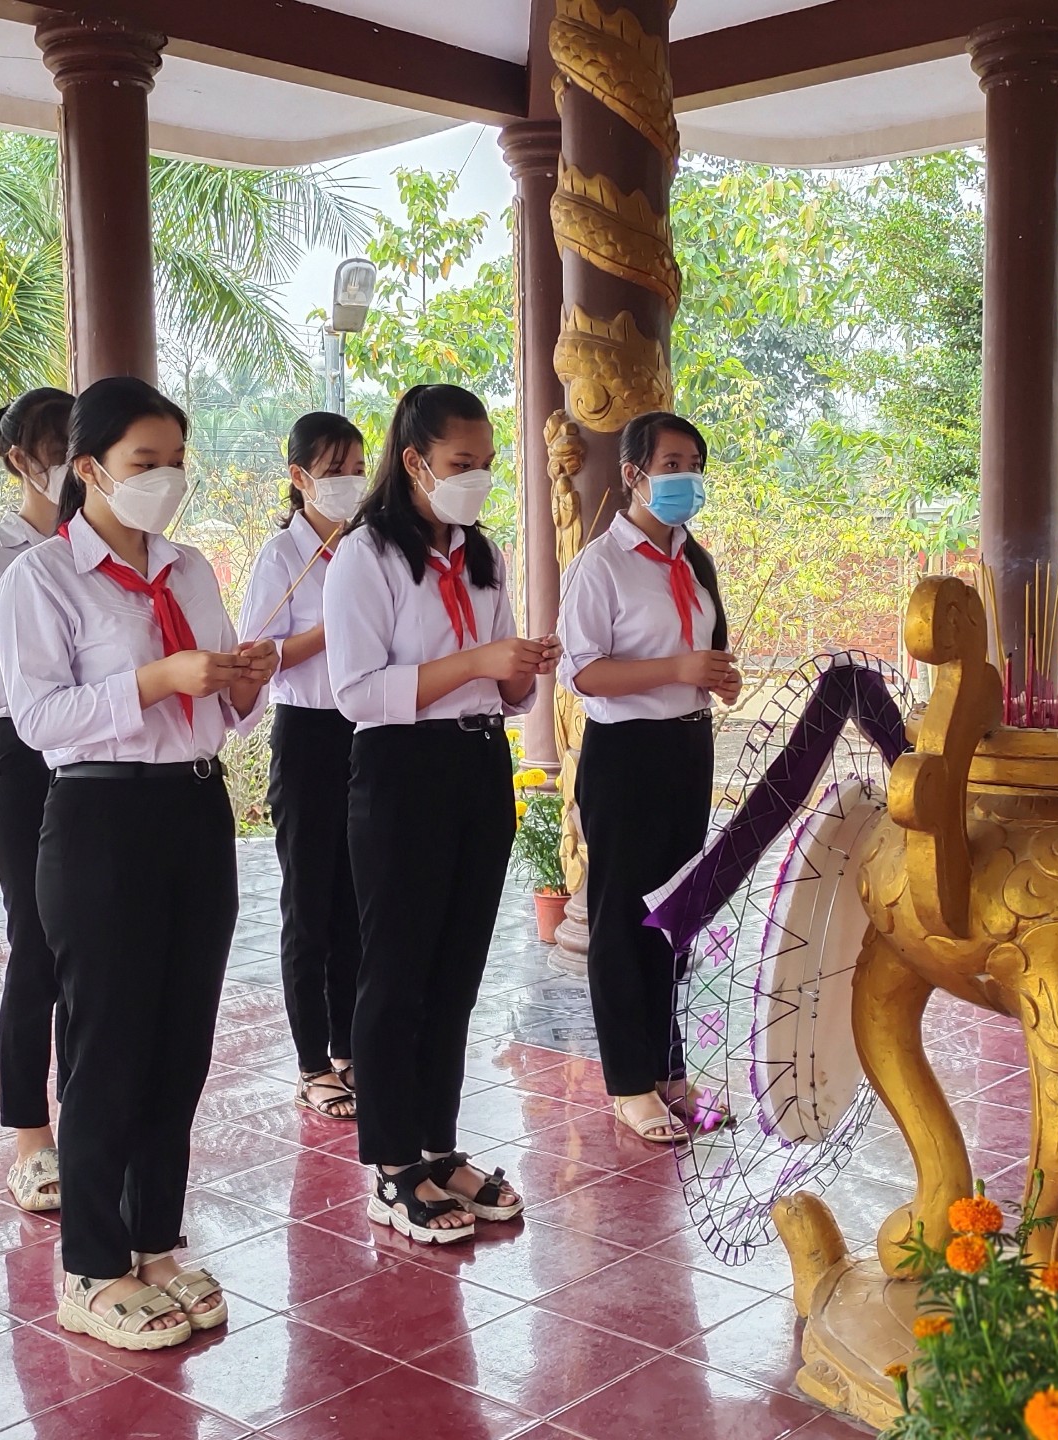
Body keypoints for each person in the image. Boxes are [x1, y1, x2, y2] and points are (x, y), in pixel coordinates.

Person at [0, 375, 277, 1351]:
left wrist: (245, 681)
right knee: (108, 1043)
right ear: (89, 468)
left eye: (176, 461)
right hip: (101, 815)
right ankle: (90, 1263)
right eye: (144, 461)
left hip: (195, 807)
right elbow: (40, 717)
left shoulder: (189, 570)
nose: (166, 478)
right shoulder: (39, 578)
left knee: (180, 1041)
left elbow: (224, 708)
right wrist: (154, 679)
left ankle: (155, 1242)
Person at [325, 383, 556, 1244]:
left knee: (456, 968)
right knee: (397, 970)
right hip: (400, 769)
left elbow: (504, 691)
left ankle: (437, 1144)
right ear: (415, 461)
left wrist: (521, 668)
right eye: (462, 463)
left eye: (487, 463)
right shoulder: (366, 556)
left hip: (476, 761)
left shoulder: (479, 553)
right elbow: (358, 692)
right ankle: (391, 1165)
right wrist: (477, 662)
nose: (477, 478)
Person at [558, 410, 738, 1144]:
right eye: (670, 465)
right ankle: (628, 1084)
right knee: (620, 921)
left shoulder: (694, 559)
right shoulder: (600, 565)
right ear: (633, 474)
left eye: (693, 465)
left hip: (686, 749)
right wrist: (677, 668)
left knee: (673, 918)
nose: (685, 478)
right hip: (625, 755)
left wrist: (714, 676)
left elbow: (705, 652)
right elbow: (583, 672)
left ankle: (670, 1073)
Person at [0, 387, 75, 1212]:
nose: (74, 467)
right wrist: (54, 677)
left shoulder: (108, 546)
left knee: (98, 956)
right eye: (58, 452)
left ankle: (92, 1119)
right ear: (20, 462)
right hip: (30, 767)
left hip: (99, 764)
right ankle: (32, 1140)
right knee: (36, 948)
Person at [239, 412, 370, 1124]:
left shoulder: (369, 545)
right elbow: (260, 654)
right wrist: (334, 627)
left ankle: (349, 1047)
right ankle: (312, 1063)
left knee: (359, 899)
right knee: (310, 904)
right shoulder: (280, 557)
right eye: (334, 471)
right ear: (299, 477)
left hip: (366, 732)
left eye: (358, 470)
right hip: (308, 735)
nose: (350, 483)